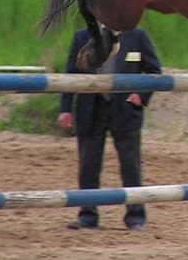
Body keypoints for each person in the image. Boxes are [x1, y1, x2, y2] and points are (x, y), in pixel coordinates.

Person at [58, 27, 162, 231]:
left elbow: (154, 71)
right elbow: (70, 74)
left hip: (125, 110)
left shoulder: (137, 36)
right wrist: (65, 109)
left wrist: (142, 96)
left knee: (130, 166)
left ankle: (135, 217)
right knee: (88, 166)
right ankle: (87, 215)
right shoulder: (81, 36)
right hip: (90, 109)